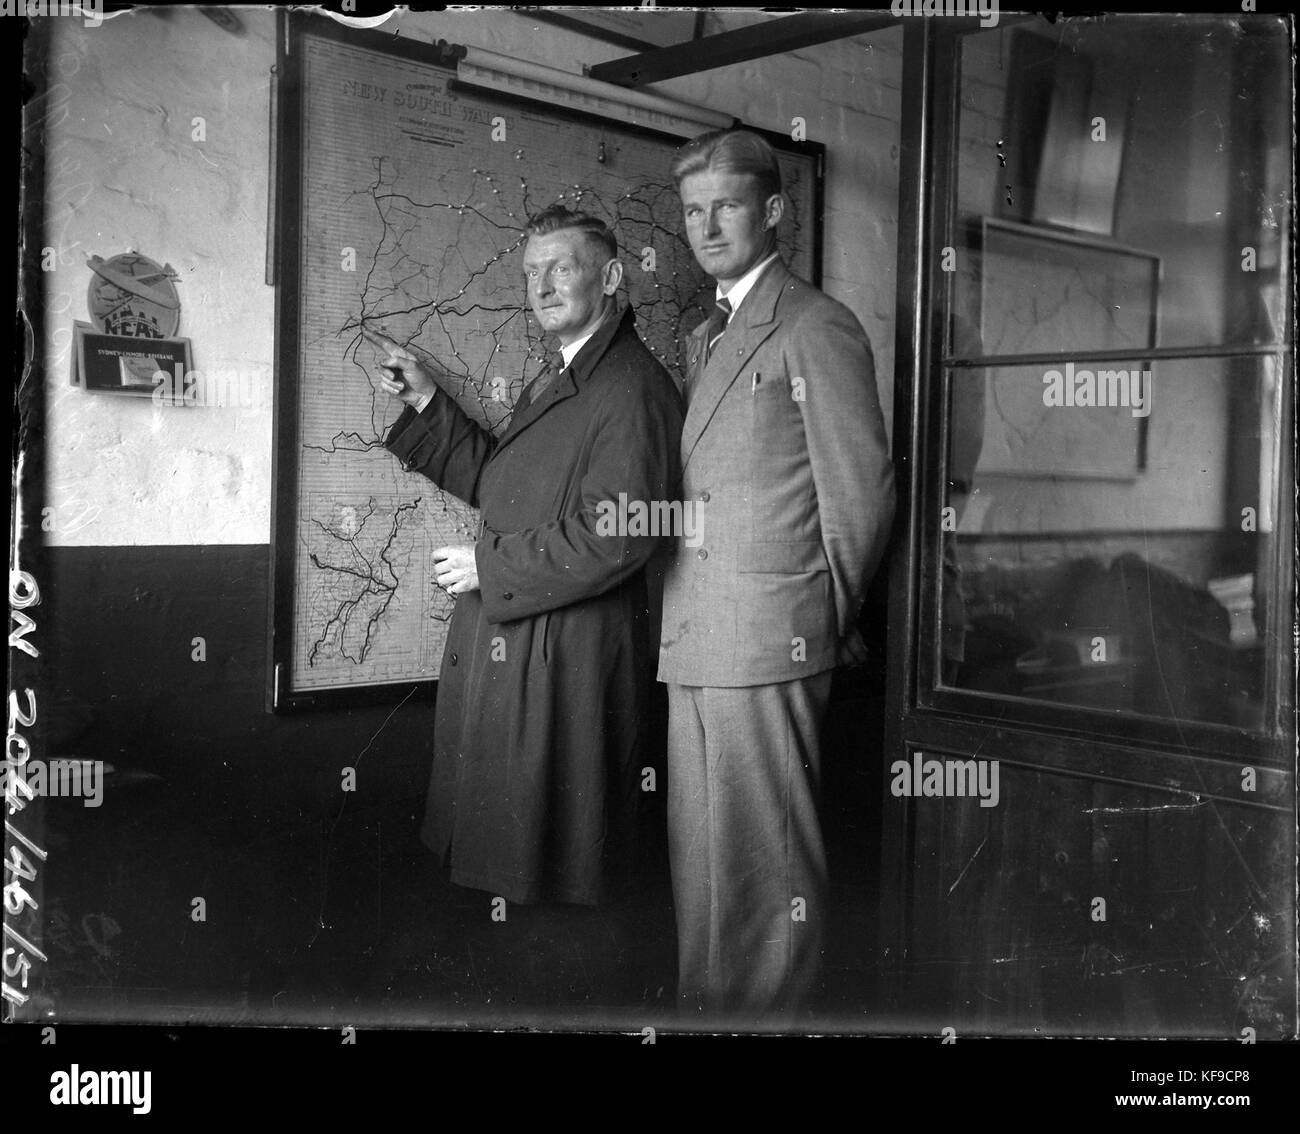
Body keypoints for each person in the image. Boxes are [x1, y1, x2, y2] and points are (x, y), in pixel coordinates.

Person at [371, 206, 683, 913]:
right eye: (531, 273)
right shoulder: (568, 375)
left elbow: (621, 534)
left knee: (551, 875)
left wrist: (491, 569)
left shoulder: (631, 387)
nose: (541, 287)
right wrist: (428, 402)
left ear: (611, 277)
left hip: (565, 657)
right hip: (529, 648)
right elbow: (505, 486)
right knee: (515, 857)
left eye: (560, 269)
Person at [658, 129, 896, 1020]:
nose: (707, 226)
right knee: (705, 870)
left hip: (770, 638)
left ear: (773, 212)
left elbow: (859, 498)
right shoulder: (703, 334)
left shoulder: (814, 324)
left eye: (725, 205)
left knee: (765, 872)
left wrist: (818, 618)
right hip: (693, 635)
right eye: (694, 210)